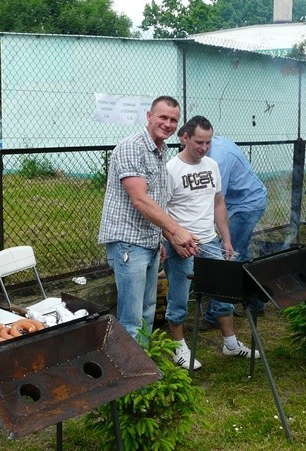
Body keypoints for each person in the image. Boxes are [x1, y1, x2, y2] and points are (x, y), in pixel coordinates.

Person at [98, 95, 198, 344]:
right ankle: (131, 375)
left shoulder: (160, 150)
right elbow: (140, 200)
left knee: (146, 312)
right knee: (131, 319)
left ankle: (145, 368)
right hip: (129, 244)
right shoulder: (133, 146)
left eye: (173, 120)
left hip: (149, 243)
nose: (168, 123)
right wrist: (176, 231)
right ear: (149, 116)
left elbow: (157, 200)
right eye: (163, 117)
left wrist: (161, 238)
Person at [163, 115, 260, 370]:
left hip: (210, 241)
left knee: (224, 292)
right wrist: (173, 239)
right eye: (199, 142)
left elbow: (219, 203)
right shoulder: (171, 170)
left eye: (207, 143)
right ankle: (179, 349)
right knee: (179, 299)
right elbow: (161, 212)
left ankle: (230, 343)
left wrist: (226, 239)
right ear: (185, 138)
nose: (204, 148)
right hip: (182, 246)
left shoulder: (212, 165)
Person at [201, 134, 269, 328]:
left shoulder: (217, 159)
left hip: (247, 205)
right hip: (240, 202)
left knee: (227, 258)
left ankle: (215, 315)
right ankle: (255, 303)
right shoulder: (213, 143)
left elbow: (215, 199)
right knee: (241, 255)